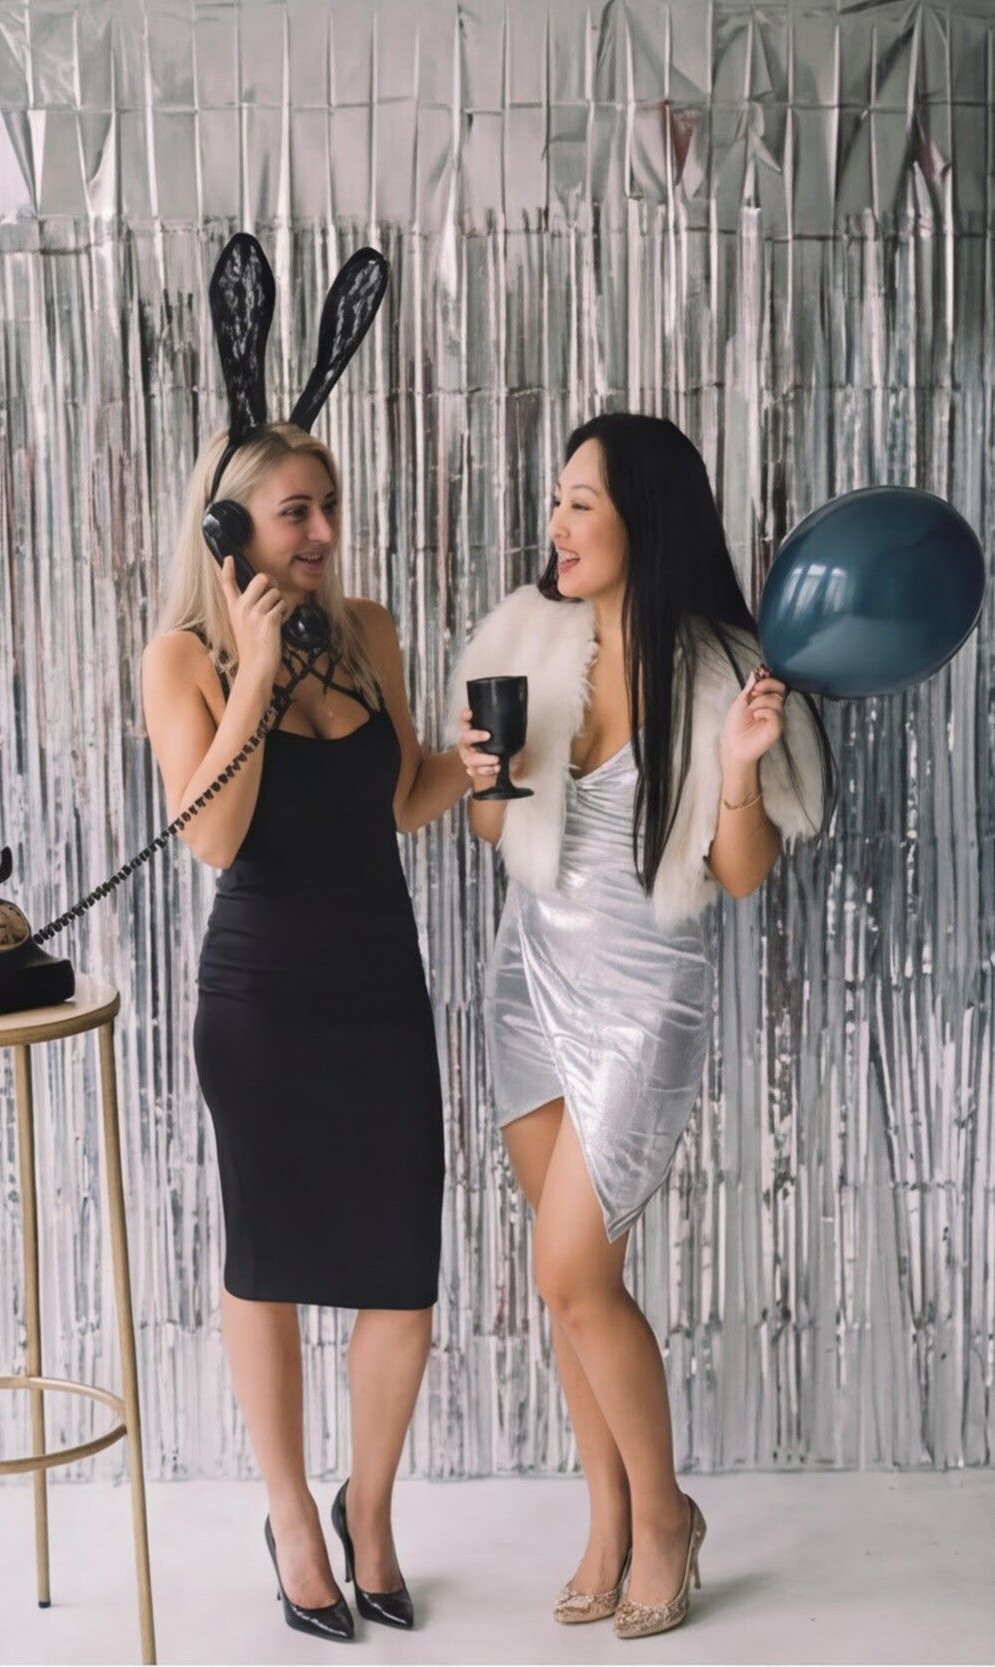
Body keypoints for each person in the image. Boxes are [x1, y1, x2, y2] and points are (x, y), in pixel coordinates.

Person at [451, 412, 834, 1640]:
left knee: (569, 1269)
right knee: (578, 1287)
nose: (555, 525)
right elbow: (493, 838)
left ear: (640, 517)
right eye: (555, 500)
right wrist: (479, 784)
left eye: (580, 502)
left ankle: (664, 1515)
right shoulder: (524, 639)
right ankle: (607, 1518)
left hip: (640, 1002)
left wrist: (735, 768)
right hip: (527, 985)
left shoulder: (722, 665)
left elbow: (735, 875)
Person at [142, 236, 471, 1641]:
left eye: (328, 507)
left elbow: (397, 802)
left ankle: (372, 1504)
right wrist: (257, 663)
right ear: (230, 529)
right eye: (292, 513)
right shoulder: (184, 659)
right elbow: (210, 833)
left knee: (403, 1260)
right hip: (264, 997)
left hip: (381, 988)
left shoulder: (375, 630)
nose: (322, 533)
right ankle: (291, 1513)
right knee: (269, 1256)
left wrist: (475, 762)